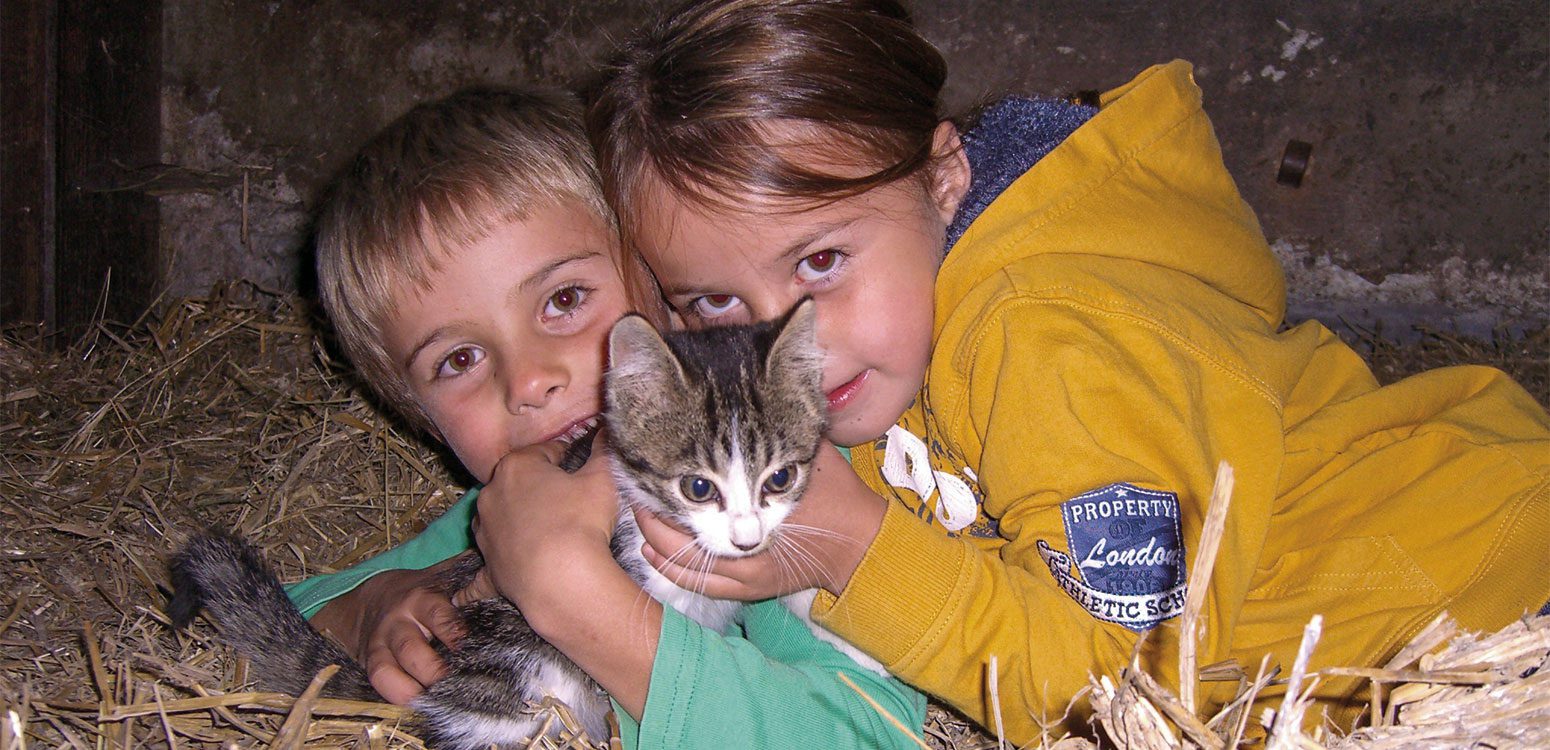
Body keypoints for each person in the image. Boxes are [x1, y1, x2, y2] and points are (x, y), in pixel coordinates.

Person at [579, 0, 1550, 741]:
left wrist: (858, 549)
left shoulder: (1055, 337)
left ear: (942, 177)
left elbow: (1127, 685)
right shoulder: (874, 340)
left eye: (820, 261)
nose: (790, 338)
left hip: (1485, 595)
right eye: (713, 303)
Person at [286, 84, 927, 749]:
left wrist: (573, 595)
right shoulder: (520, 497)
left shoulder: (778, 465)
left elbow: (865, 731)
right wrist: (375, 606)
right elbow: (302, 598)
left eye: (565, 299)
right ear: (416, 416)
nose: (531, 381)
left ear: (656, 273)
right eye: (459, 359)